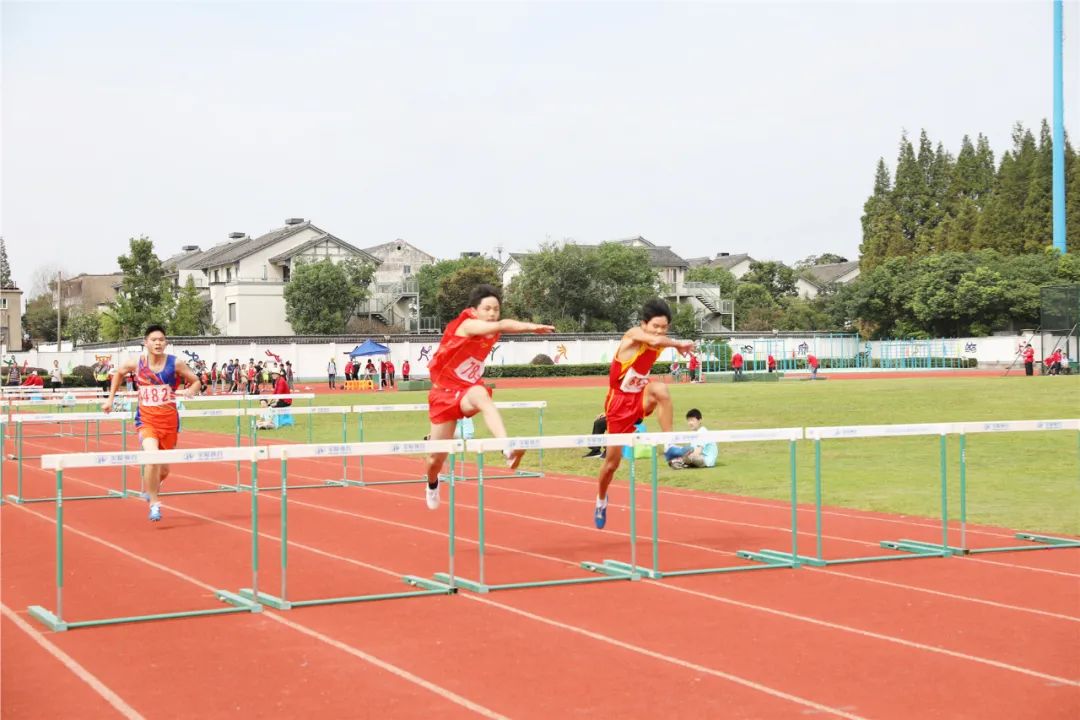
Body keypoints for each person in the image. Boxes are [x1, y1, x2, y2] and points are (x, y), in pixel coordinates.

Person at [422, 284, 555, 509]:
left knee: (483, 396)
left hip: (467, 390)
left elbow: (503, 324)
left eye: (496, 309)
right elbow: (504, 324)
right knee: (436, 460)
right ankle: (432, 483)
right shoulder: (467, 325)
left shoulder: (492, 329)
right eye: (487, 309)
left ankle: (507, 448)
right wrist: (532, 327)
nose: (493, 314)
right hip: (444, 394)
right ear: (474, 311)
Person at [594, 298, 694, 529]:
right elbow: (653, 339)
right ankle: (601, 499)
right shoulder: (633, 335)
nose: (659, 331)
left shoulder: (659, 342)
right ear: (644, 324)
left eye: (664, 327)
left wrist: (675, 345)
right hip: (618, 405)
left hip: (640, 396)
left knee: (661, 390)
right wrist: (677, 344)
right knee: (611, 465)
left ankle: (670, 447)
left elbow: (657, 341)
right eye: (655, 326)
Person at [102, 324, 200, 522]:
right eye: (154, 340)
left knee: (163, 470)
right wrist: (110, 399)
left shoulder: (176, 363)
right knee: (151, 456)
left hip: (169, 422)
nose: (158, 343)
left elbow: (196, 380)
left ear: (166, 343)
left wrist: (192, 390)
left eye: (161, 340)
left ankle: (150, 487)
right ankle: (154, 503)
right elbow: (118, 373)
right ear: (145, 342)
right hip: (146, 420)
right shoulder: (137, 363)